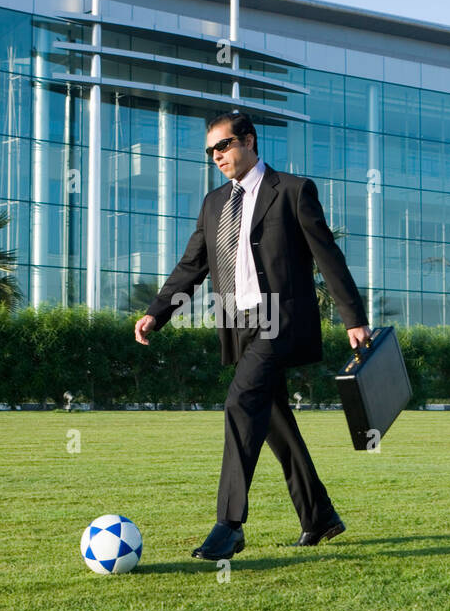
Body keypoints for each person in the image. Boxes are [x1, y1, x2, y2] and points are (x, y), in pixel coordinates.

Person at [135, 111, 370, 560]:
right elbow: (193, 265)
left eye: (223, 146)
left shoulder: (294, 191)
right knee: (275, 419)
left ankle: (230, 524)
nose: (216, 156)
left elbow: (328, 257)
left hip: (280, 318)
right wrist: (157, 313)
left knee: (241, 402)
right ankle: (319, 517)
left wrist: (352, 318)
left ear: (249, 140)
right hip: (235, 319)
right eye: (210, 151)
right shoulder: (213, 203)